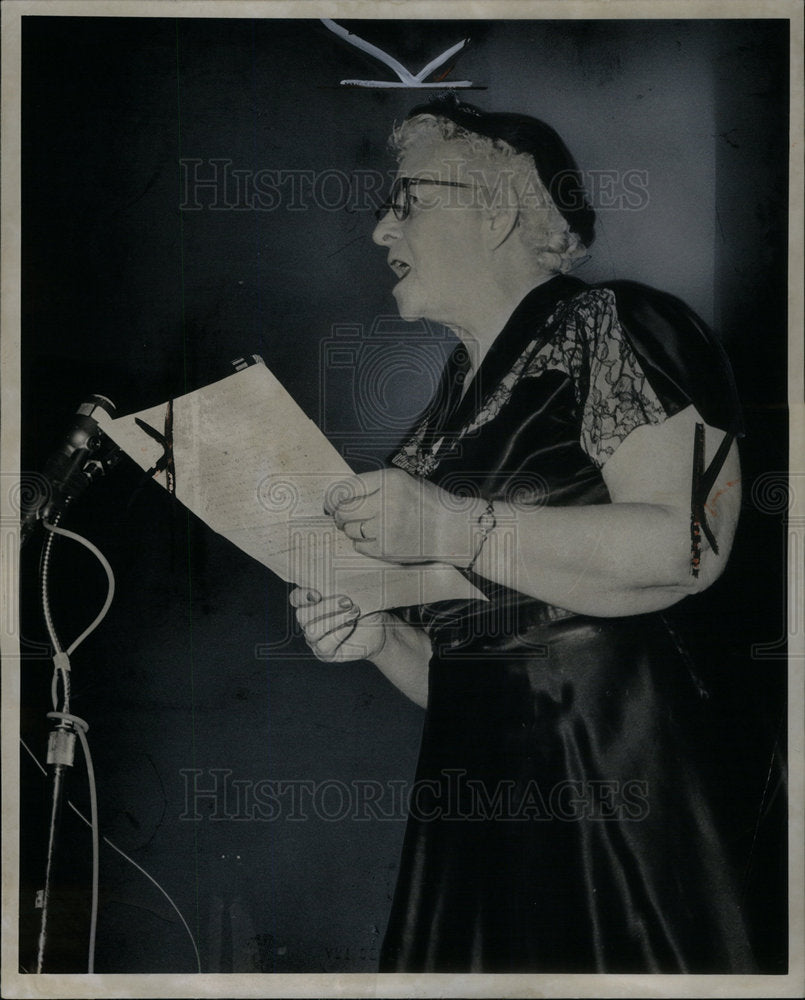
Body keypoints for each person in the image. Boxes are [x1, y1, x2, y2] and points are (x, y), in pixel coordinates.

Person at [290, 95, 755, 973]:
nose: (380, 229)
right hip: (478, 789)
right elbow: (469, 671)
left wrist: (455, 527)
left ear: (496, 208)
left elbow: (688, 550)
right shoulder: (445, 413)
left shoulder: (614, 323)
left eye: (406, 200)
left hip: (614, 768)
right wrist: (381, 636)